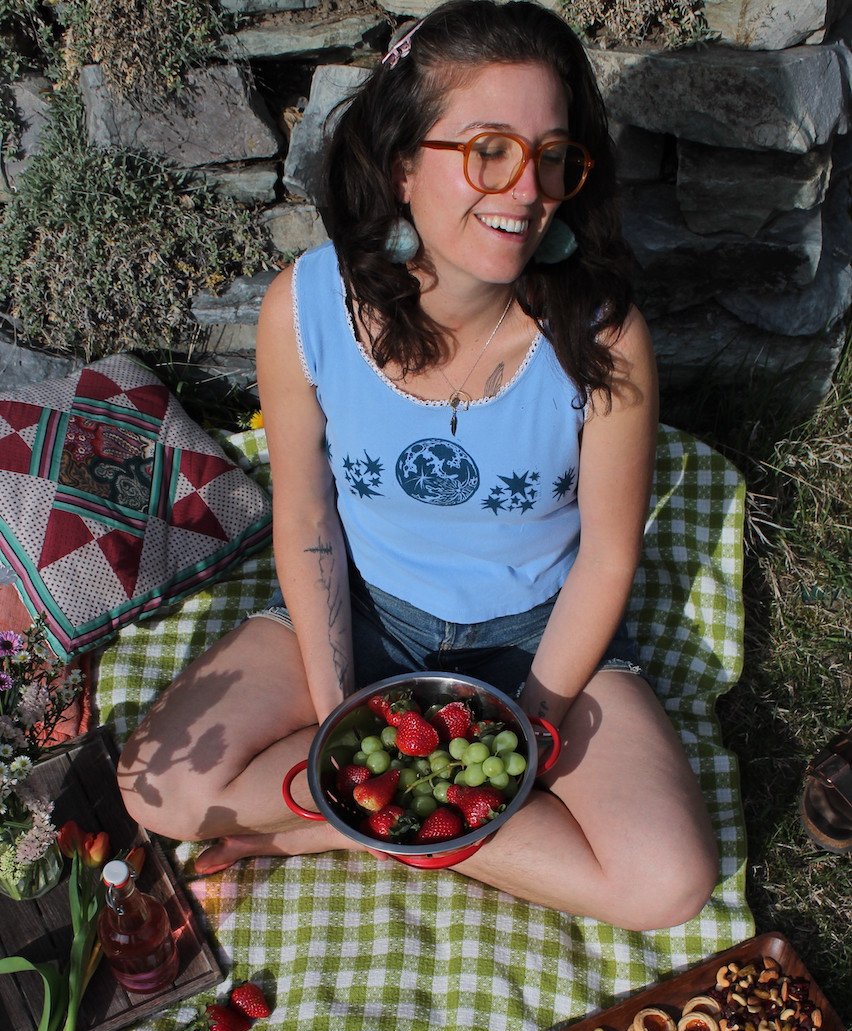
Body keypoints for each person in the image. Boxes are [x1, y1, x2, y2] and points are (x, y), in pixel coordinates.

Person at [117, 0, 718, 930]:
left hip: (541, 637)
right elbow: (310, 524)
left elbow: (606, 557)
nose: (526, 190)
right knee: (158, 793)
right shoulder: (307, 309)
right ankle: (382, 816)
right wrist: (338, 727)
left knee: (668, 881)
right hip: (366, 607)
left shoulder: (605, 335)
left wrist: (523, 728)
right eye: (488, 148)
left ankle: (347, 829)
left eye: (552, 154)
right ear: (402, 163)